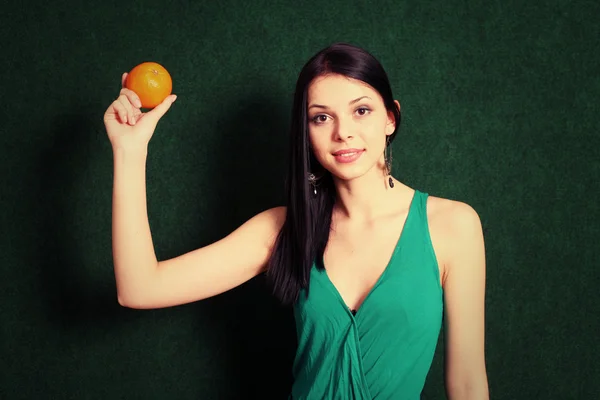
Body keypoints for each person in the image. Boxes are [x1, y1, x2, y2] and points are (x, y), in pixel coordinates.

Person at [103, 43, 489, 399]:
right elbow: (139, 288)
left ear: (390, 118)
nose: (343, 132)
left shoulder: (453, 225)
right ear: (306, 133)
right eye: (321, 117)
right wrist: (129, 151)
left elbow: (468, 383)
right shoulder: (282, 230)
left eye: (361, 110)